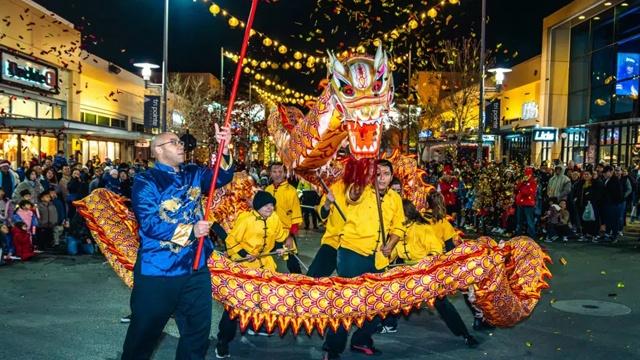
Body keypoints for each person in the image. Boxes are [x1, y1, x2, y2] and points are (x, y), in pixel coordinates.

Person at [121, 125, 234, 360]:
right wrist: (191, 230)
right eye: (174, 142)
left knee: (197, 333)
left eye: (180, 142)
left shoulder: (193, 173)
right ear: (158, 151)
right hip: (158, 269)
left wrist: (224, 147)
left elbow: (221, 177)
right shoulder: (146, 181)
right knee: (143, 335)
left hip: (195, 267)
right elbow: (150, 223)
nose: (180, 145)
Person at [322, 159, 405, 359]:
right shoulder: (362, 190)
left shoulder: (395, 198)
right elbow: (352, 196)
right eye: (377, 174)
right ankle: (332, 349)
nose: (382, 178)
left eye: (386, 174)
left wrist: (390, 244)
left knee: (378, 306)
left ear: (392, 176)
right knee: (347, 303)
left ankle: (361, 340)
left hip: (378, 259)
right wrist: (362, 173)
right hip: (352, 254)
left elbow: (398, 227)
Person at [379, 199, 478, 347]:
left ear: (406, 214)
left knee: (442, 304)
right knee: (391, 297)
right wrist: (383, 252)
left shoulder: (422, 228)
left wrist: (426, 264)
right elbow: (392, 255)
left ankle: (465, 334)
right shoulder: (397, 232)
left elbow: (436, 249)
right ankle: (385, 325)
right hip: (408, 273)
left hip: (426, 274)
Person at [215, 191, 289, 358]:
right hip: (245, 268)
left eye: (272, 205)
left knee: (261, 299)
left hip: (265, 266)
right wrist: (243, 253)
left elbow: (279, 235)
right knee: (234, 305)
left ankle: (254, 325)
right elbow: (231, 240)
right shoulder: (246, 219)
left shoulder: (274, 217)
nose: (270, 208)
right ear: (258, 206)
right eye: (267, 205)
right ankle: (223, 341)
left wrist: (278, 247)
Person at [265, 162, 303, 274]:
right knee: (264, 259)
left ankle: (299, 284)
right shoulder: (267, 189)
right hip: (268, 231)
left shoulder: (291, 191)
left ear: (285, 173)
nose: (277, 174)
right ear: (270, 174)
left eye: (280, 172)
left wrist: (290, 237)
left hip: (285, 233)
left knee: (293, 263)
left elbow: (296, 218)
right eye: (274, 172)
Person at [306, 180, 347, 277]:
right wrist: (327, 204)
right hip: (332, 241)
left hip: (355, 246)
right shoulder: (334, 187)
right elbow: (322, 214)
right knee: (312, 279)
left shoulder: (368, 190)